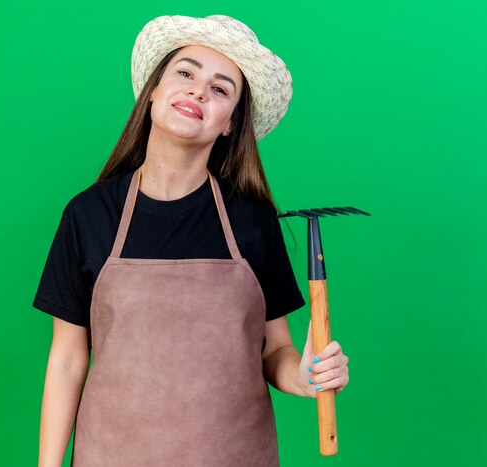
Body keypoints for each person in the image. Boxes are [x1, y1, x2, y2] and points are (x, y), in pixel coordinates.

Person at [33, 14, 350, 466]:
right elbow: (66, 359)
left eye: (221, 89)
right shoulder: (89, 215)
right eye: (185, 73)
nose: (199, 91)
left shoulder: (253, 221)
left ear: (229, 125)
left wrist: (304, 376)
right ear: (154, 92)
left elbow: (276, 348)